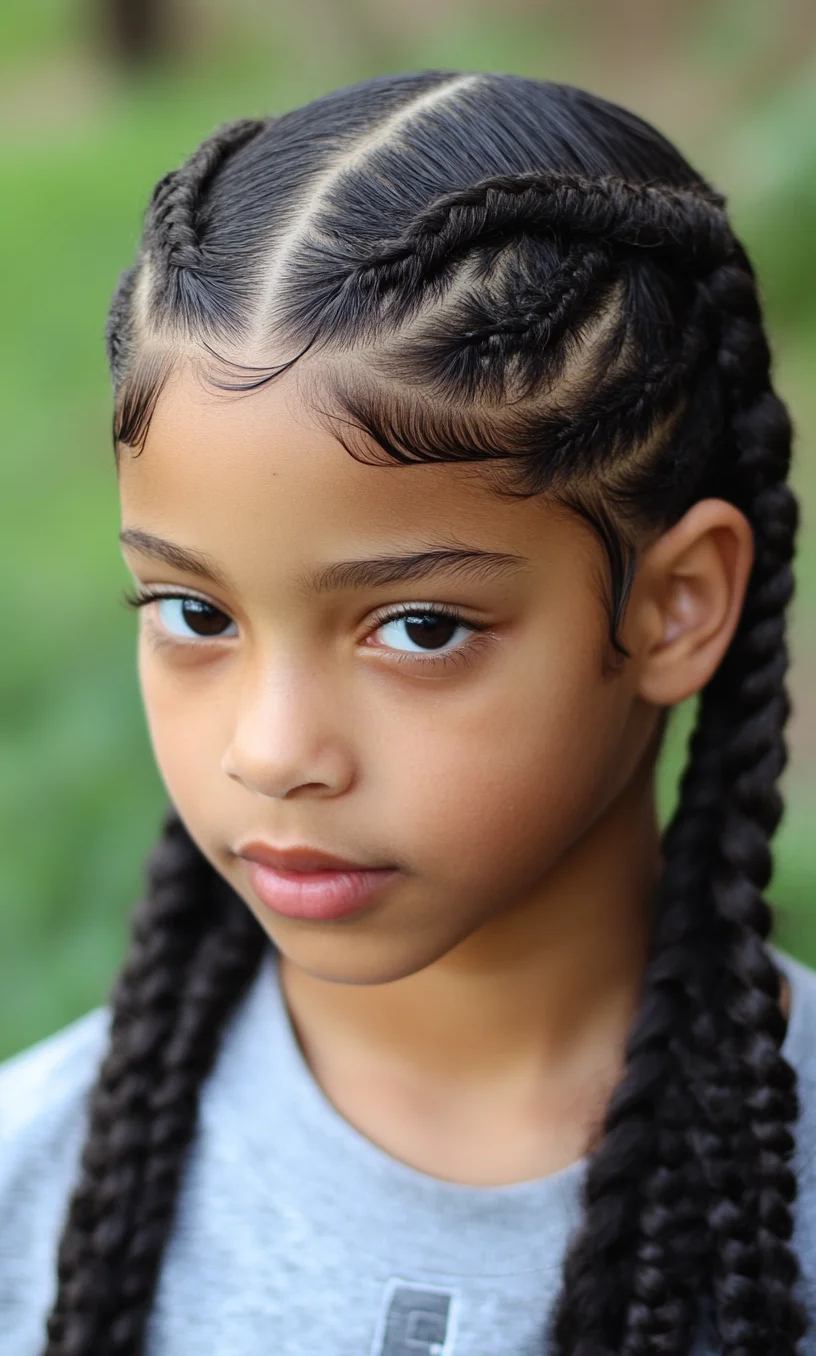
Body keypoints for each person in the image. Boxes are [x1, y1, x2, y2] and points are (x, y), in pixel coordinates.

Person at [1, 70, 815, 1356]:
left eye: (419, 629)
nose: (270, 751)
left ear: (674, 606)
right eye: (194, 614)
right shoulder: (27, 1192)